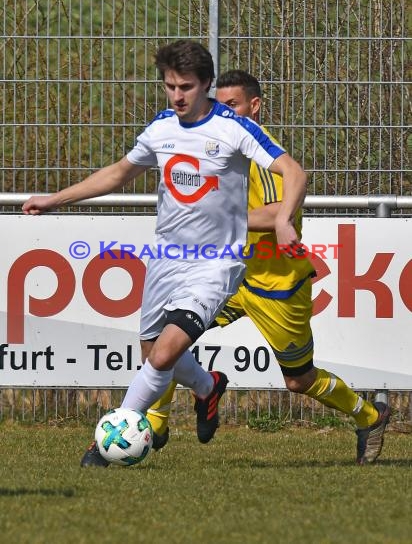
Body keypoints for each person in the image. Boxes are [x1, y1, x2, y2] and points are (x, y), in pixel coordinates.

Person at [22, 42, 308, 467]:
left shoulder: (233, 127)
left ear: (207, 85)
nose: (177, 95)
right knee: (152, 351)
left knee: (162, 355)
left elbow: (294, 170)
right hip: (165, 259)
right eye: (170, 86)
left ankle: (111, 438)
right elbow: (120, 172)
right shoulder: (161, 128)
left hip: (215, 263)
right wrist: (57, 199)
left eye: (186, 87)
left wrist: (284, 217)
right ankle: (208, 386)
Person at [145, 69, 390, 466]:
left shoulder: (266, 155)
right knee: (166, 338)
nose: (223, 114)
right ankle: (155, 422)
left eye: (232, 105)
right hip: (229, 277)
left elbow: (280, 214)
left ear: (254, 106)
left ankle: (370, 416)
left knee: (298, 380)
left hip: (276, 286)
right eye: (216, 106)